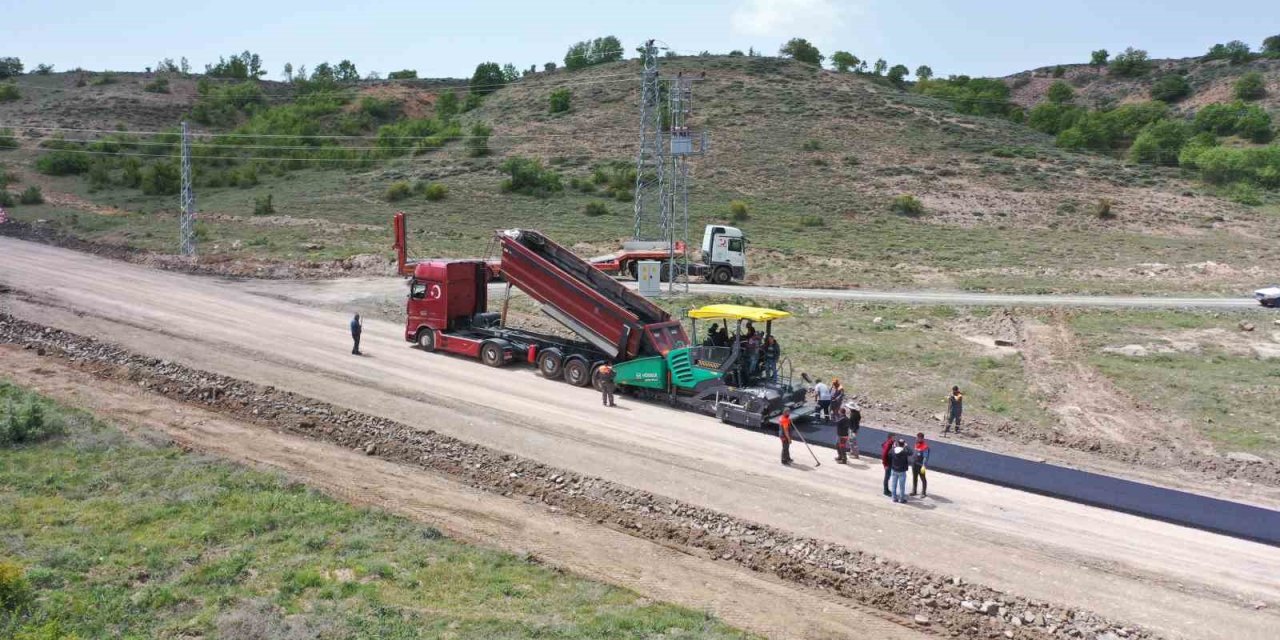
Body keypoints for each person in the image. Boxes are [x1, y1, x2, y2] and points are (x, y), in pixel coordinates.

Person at [890, 438, 912, 503]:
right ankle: (901, 499)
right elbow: (911, 453)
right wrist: (907, 446)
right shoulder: (904, 452)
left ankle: (894, 498)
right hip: (902, 471)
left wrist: (893, 447)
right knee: (902, 486)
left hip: (894, 470)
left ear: (898, 444)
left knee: (894, 485)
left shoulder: (893, 450)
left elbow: (889, 454)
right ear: (903, 444)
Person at [911, 432, 930, 497]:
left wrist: (923, 466)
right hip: (914, 464)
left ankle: (923, 493)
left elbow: (925, 457)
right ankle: (914, 491)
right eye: (917, 437)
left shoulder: (925, 447)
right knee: (914, 477)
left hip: (921, 465)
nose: (916, 439)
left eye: (918, 438)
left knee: (923, 478)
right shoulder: (916, 444)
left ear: (921, 438)